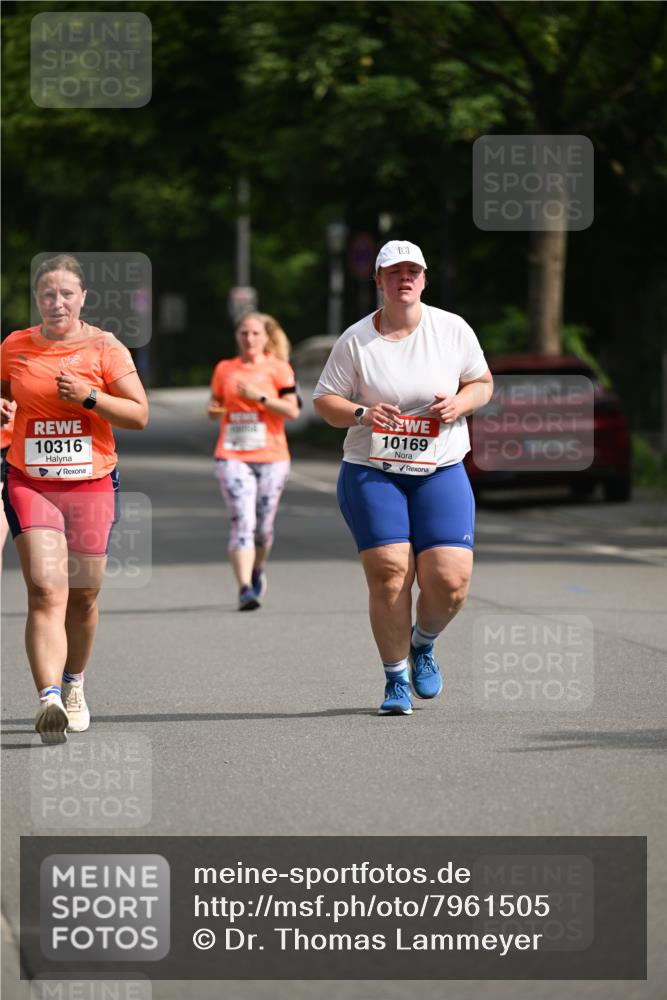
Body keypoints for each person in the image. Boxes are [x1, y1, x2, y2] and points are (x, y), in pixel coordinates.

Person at [313, 240, 493, 716]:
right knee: (393, 573)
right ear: (379, 282)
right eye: (394, 273)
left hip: (440, 468)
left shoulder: (451, 329)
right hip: (373, 471)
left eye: (413, 271)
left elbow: (482, 382)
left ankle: (423, 643)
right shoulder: (356, 340)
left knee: (451, 581)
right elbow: (325, 402)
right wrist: (363, 413)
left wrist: (461, 403)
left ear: (425, 280)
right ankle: (395, 680)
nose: (404, 278)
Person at [0, 254, 148, 743]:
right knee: (45, 589)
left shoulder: (106, 347)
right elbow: (4, 396)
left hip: (90, 483)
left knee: (82, 597)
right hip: (31, 481)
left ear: (83, 298)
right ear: (37, 299)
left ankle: (73, 684)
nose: (56, 301)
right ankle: (48, 700)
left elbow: (138, 415)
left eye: (66, 293)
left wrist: (89, 397)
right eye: (47, 294)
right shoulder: (15, 346)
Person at [208, 311, 300, 610]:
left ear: (266, 337)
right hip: (232, 455)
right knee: (243, 520)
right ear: (237, 336)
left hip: (272, 456)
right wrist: (214, 410)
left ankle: (258, 569)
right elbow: (216, 404)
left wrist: (260, 397)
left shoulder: (279, 369)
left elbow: (292, 411)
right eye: (244, 333)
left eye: (255, 334)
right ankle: (245, 587)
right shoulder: (225, 368)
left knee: (263, 527)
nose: (249, 339)